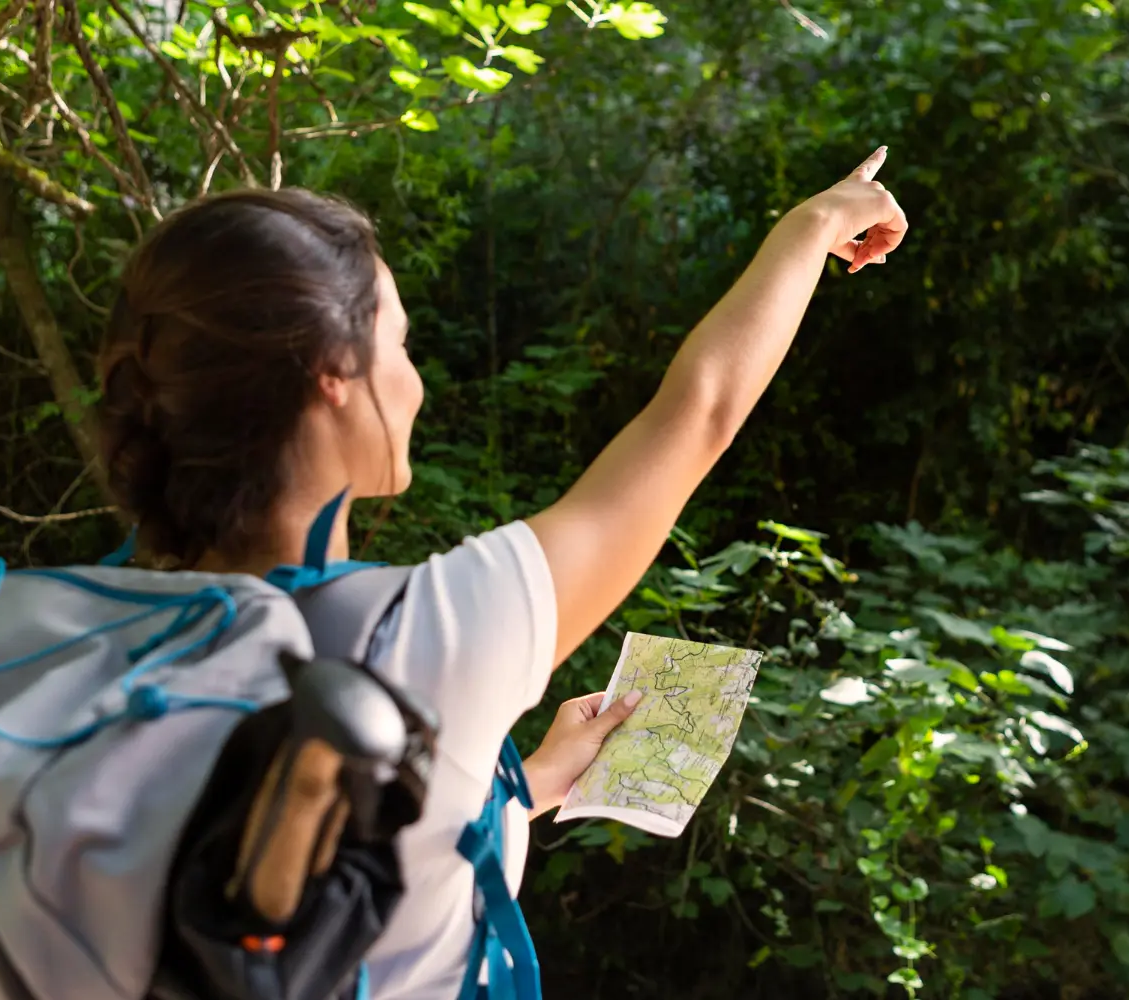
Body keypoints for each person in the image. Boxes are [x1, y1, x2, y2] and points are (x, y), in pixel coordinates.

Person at [94, 146, 907, 999]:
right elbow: (700, 413)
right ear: (333, 375)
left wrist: (537, 779)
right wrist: (813, 225)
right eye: (399, 345)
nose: (414, 384)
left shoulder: (78, 642)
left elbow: (345, 869)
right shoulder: (428, 638)